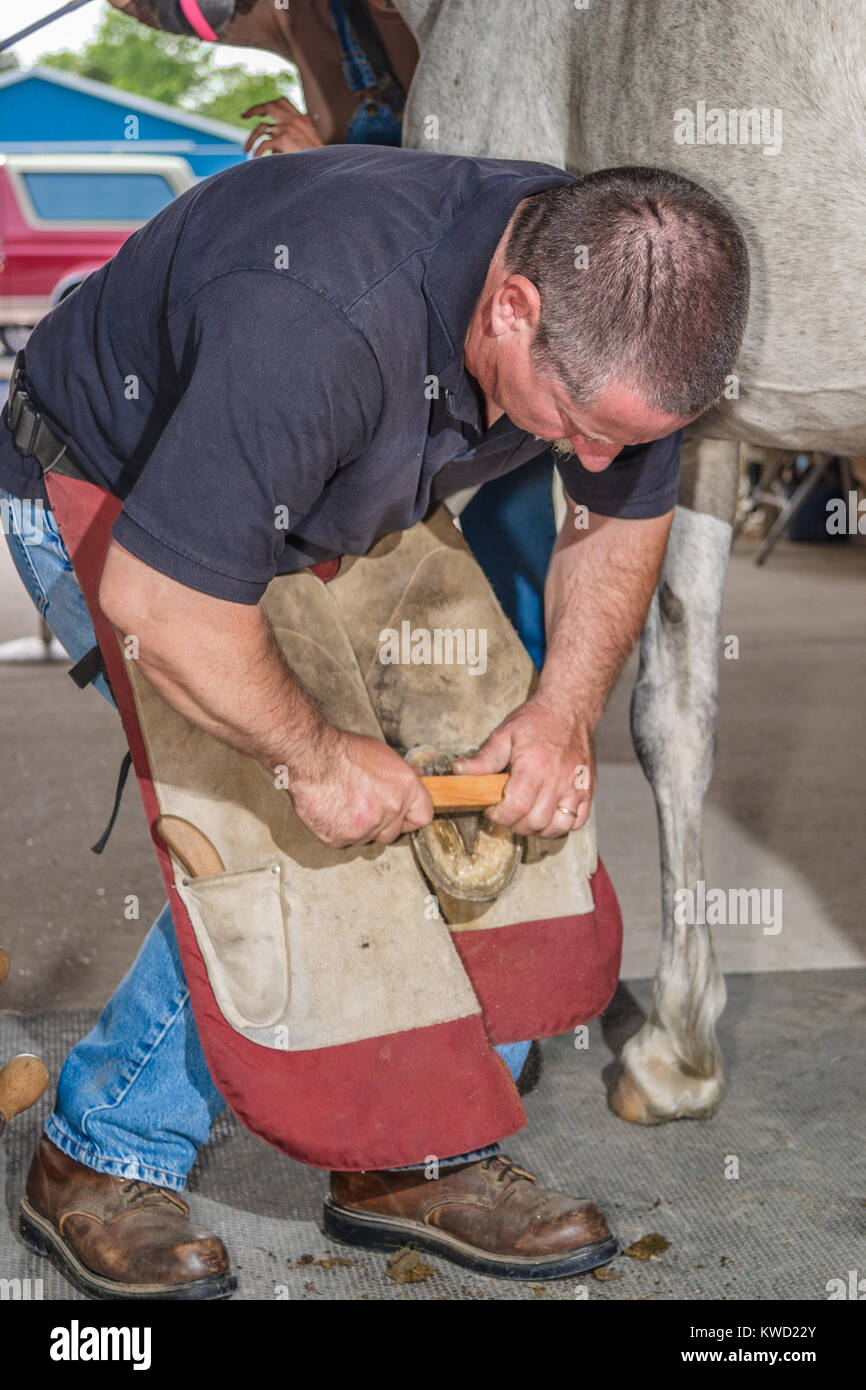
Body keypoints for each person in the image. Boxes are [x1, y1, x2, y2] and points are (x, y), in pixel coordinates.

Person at [0, 146, 749, 1298]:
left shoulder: (609, 305)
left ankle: (416, 1155)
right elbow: (166, 602)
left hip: (329, 497)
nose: (595, 457)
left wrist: (561, 712)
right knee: (297, 838)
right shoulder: (317, 321)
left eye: (629, 435)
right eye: (581, 424)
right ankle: (95, 1155)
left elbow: (615, 512)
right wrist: (314, 756)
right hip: (124, 496)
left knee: (491, 805)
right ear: (512, 304)